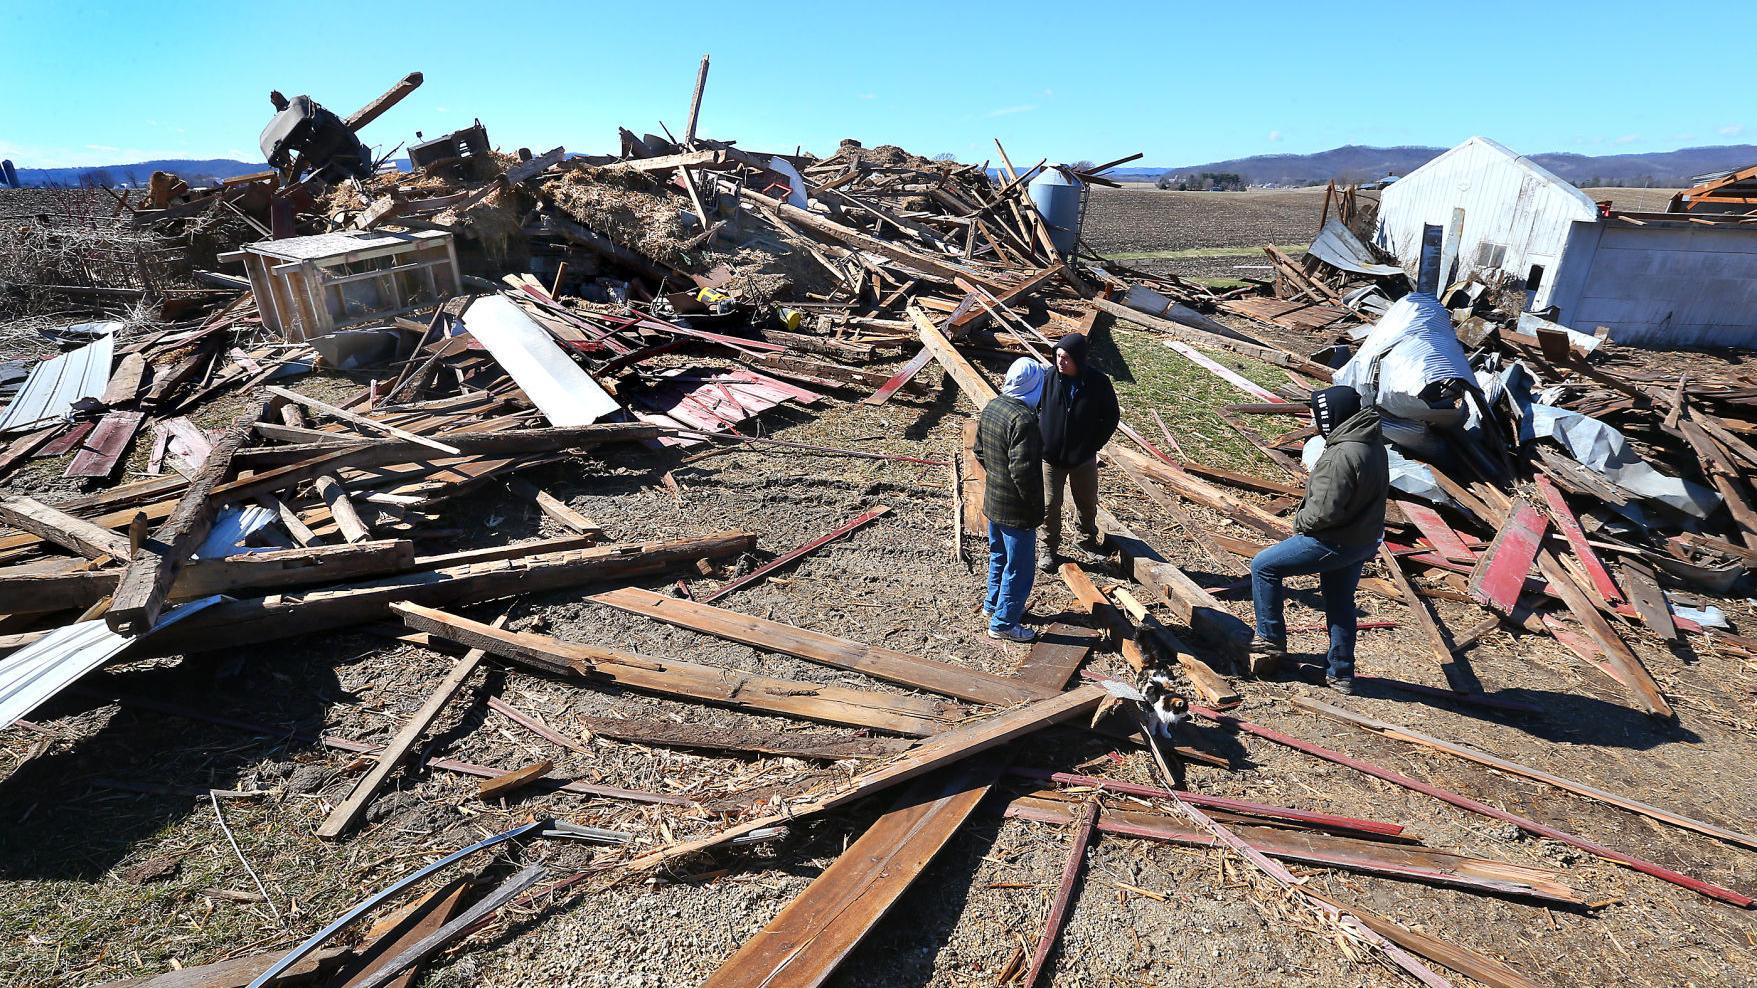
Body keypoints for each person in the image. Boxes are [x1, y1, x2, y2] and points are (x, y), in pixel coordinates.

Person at [1247, 386, 1389, 692]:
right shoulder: (1372, 444)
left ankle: (1270, 638)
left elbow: (1322, 512)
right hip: (1361, 540)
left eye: (1317, 414)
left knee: (1264, 566)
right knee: (1340, 603)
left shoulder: (1341, 454)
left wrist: (1299, 522)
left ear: (1330, 415)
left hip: (1333, 541)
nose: (1314, 419)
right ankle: (1341, 674)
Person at [975, 359, 1047, 642]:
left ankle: (992, 605)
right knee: (1020, 567)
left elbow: (979, 450)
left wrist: (997, 474)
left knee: (998, 555)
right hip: (1017, 509)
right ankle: (1003, 623)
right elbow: (1024, 473)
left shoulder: (993, 406)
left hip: (994, 500)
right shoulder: (1025, 420)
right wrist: (1033, 510)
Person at [1036, 333, 1120, 572]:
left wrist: (1093, 444)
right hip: (1051, 457)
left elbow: (1111, 416)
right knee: (1049, 504)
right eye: (1058, 356)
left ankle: (1085, 539)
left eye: (1066, 358)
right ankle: (1048, 547)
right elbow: (1039, 407)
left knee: (1086, 501)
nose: (1060, 362)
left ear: (1079, 359)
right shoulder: (1051, 377)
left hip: (1082, 457)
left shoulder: (1098, 382)